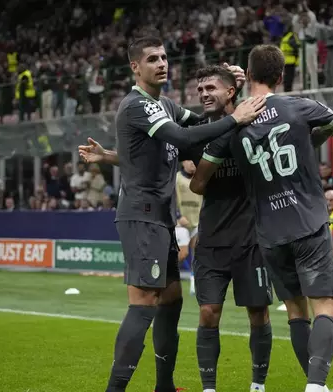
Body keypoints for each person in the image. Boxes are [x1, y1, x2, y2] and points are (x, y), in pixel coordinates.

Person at [80, 36, 265, 392]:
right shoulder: (137, 105)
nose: (162, 63)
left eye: (164, 57)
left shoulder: (164, 103)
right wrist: (235, 117)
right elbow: (183, 137)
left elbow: (201, 125)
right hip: (141, 215)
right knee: (143, 304)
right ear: (135, 67)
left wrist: (232, 92)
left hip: (161, 217)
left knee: (171, 301)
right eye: (152, 59)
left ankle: (164, 386)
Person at [201, 44, 333, 392]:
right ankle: (316, 386)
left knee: (295, 312)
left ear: (247, 75)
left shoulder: (234, 125)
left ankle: (314, 384)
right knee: (324, 305)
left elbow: (200, 176)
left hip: (269, 233)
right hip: (307, 221)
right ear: (280, 76)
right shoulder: (298, 106)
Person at [187, 65, 274, 392]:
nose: (204, 94)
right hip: (211, 240)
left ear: (232, 91)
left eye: (211, 88)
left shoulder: (256, 123)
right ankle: (209, 388)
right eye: (200, 90)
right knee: (208, 312)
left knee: (258, 313)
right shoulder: (196, 130)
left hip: (251, 241)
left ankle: (257, 386)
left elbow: (270, 91)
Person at [175, 159, 203, 295]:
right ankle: (165, 273)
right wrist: (177, 215)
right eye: (189, 161)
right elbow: (171, 197)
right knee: (183, 253)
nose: (192, 163)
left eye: (194, 161)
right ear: (183, 163)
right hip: (181, 223)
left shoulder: (200, 178)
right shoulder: (177, 179)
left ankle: (194, 285)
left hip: (197, 222)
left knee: (197, 254)